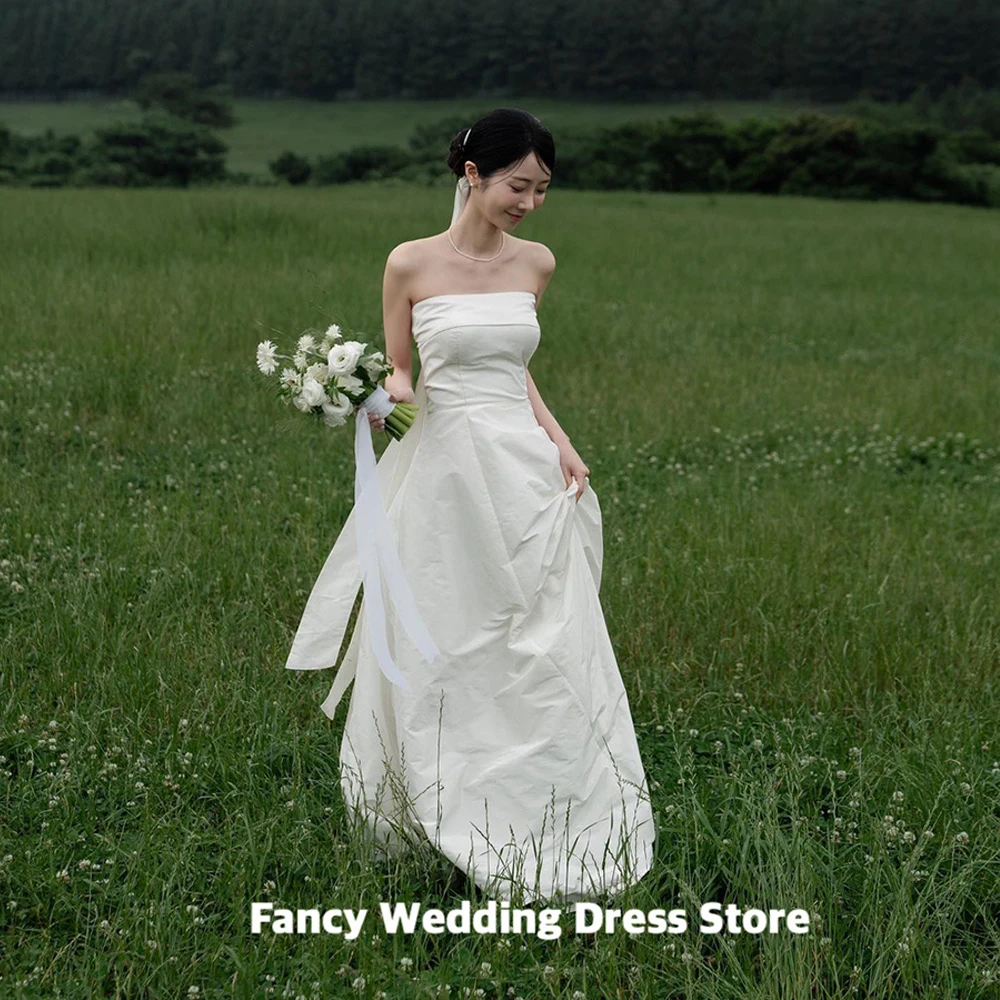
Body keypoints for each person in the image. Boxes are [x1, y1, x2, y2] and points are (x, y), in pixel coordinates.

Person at [285, 108, 655, 905]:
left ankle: (550, 804)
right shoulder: (410, 264)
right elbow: (402, 372)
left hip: (520, 465)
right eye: (519, 184)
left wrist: (560, 440)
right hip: (445, 468)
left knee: (536, 631)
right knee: (445, 631)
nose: (530, 201)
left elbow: (514, 369)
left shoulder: (538, 264)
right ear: (474, 176)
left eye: (543, 188)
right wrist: (373, 398)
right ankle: (428, 809)